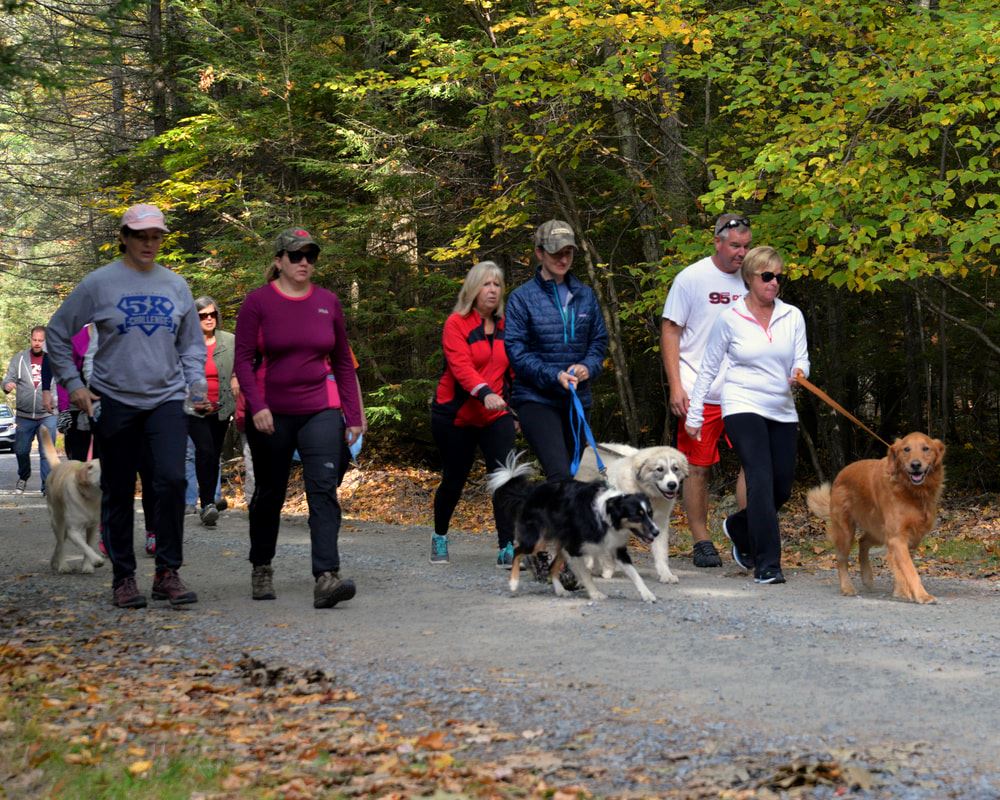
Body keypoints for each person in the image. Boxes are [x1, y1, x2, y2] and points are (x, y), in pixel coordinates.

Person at [46, 203, 205, 609]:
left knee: (171, 480)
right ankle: (124, 578)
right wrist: (74, 385)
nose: (149, 243)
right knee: (117, 488)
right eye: (141, 236)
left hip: (167, 397)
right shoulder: (99, 284)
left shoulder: (176, 285)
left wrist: (196, 383)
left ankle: (167, 572)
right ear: (124, 237)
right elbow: (58, 333)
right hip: (114, 399)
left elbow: (190, 343)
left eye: (156, 236)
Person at [234, 227, 363, 608]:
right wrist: (257, 406)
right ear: (279, 262)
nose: (304, 262)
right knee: (270, 493)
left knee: (323, 488)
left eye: (311, 256)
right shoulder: (258, 303)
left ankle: (326, 576)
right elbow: (243, 360)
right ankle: (261, 565)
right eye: (296, 256)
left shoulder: (328, 302)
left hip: (321, 410)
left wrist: (352, 415)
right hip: (272, 412)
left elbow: (341, 359)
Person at [685, 246, 809, 585]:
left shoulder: (792, 316)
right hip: (741, 405)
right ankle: (767, 564)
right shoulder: (730, 318)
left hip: (781, 408)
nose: (774, 283)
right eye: (767, 276)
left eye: (779, 277)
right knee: (760, 478)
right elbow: (709, 368)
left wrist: (799, 370)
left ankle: (739, 525)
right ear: (750, 278)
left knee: (781, 486)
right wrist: (694, 414)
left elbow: (803, 358)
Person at [660, 213, 752, 568]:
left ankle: (746, 533)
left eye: (745, 246)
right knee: (697, 467)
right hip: (700, 390)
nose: (740, 253)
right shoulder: (691, 279)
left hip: (744, 390)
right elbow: (670, 330)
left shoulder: (753, 279)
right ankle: (701, 540)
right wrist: (676, 385)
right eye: (734, 246)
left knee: (752, 463)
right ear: (717, 242)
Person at [505, 220, 608, 481]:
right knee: (561, 475)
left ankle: (550, 521)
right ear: (540, 253)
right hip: (536, 399)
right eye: (556, 253)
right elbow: (516, 352)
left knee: (579, 478)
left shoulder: (585, 294)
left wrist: (588, 367)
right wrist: (554, 375)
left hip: (577, 400)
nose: (563, 259)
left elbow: (598, 342)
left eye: (568, 253)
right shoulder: (522, 298)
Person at [430, 261, 517, 567]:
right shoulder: (457, 323)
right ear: (473, 288)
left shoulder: (508, 326)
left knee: (504, 478)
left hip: (496, 415)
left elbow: (514, 369)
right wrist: (484, 392)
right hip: (456, 416)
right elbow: (461, 367)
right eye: (486, 284)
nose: (492, 290)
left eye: (496, 285)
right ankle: (439, 535)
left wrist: (514, 406)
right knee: (454, 478)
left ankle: (507, 544)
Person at [187, 295, 237, 528]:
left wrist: (236, 378)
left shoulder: (229, 340)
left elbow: (241, 366)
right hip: (195, 409)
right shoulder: (186, 342)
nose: (209, 319)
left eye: (212, 314)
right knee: (204, 450)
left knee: (213, 453)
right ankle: (207, 503)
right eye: (203, 316)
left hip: (222, 407)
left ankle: (208, 499)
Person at [3, 326, 57, 494]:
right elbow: (8, 379)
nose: (37, 343)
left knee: (46, 451)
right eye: (35, 339)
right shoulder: (19, 358)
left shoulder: (53, 359)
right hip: (24, 416)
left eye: (41, 340)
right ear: (30, 339)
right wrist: (7, 385)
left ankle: (46, 486)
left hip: (47, 413)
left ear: (46, 341)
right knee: (21, 450)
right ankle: (23, 476)